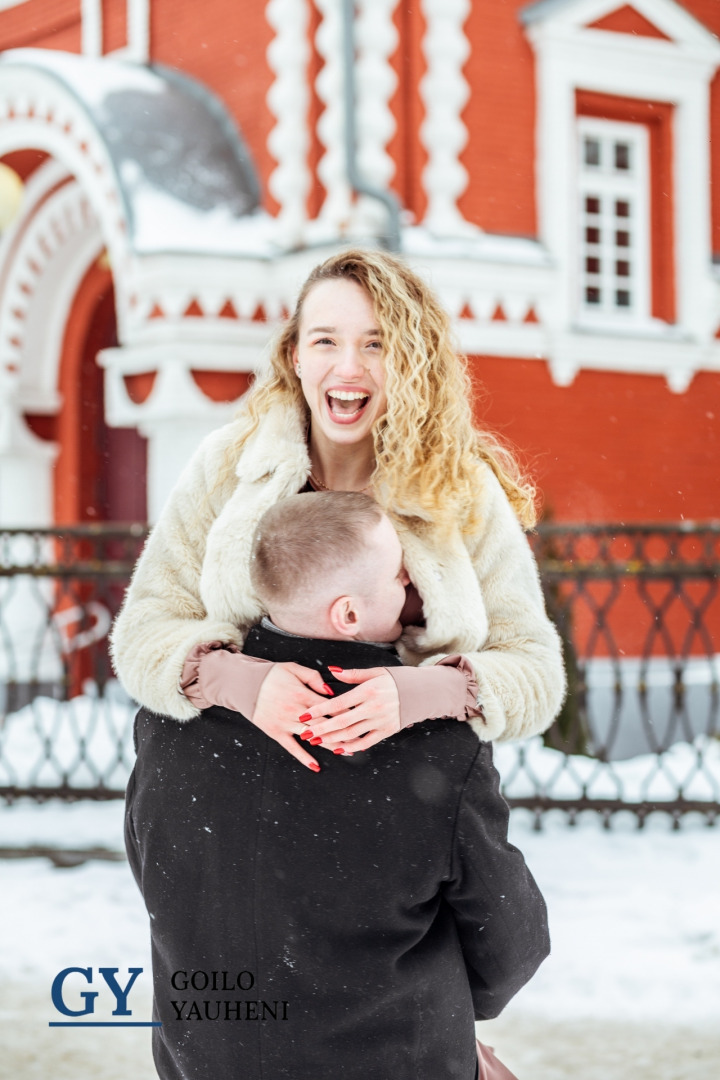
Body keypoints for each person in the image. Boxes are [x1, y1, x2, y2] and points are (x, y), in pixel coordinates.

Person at [125, 492, 549, 1079]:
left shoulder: (169, 723)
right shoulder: (437, 747)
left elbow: (163, 879)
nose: (412, 581)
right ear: (348, 614)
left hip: (207, 1059)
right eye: (399, 570)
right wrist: (443, 1015)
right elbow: (511, 937)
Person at [110, 248, 566, 765]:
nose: (349, 368)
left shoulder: (459, 487)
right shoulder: (228, 464)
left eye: (377, 344)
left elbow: (536, 673)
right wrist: (241, 681)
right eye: (325, 340)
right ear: (295, 355)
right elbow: (143, 634)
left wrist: (420, 693)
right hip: (236, 781)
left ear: (410, 360)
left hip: (405, 792)